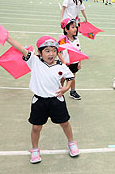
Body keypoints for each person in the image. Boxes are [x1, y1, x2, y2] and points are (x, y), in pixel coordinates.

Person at [5, 35, 79, 164]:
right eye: (47, 51)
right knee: (36, 127)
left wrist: (66, 88)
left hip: (57, 100)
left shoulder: (61, 65)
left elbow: (70, 77)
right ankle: (34, 149)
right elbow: (21, 48)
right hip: (39, 102)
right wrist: (7, 38)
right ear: (40, 52)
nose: (51, 54)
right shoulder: (34, 61)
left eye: (54, 50)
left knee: (65, 123)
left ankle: (71, 143)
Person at [58, 18, 83, 100]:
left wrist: (79, 62)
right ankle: (59, 91)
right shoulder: (63, 40)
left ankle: (72, 91)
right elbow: (58, 52)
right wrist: (63, 61)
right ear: (66, 29)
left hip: (74, 63)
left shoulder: (76, 39)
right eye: (72, 27)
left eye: (75, 27)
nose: (75, 29)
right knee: (62, 79)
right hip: (65, 64)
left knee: (72, 78)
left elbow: (79, 51)